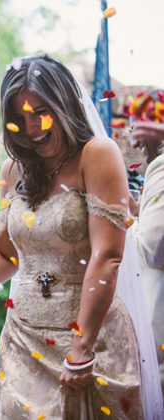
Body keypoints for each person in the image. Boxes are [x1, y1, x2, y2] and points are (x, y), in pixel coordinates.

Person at [0, 54, 145, 418]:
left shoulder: (97, 155)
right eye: (19, 119)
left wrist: (82, 347)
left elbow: (107, 255)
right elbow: (8, 258)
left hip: (88, 338)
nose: (32, 128)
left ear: (64, 104)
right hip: (22, 341)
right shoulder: (13, 170)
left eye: (41, 113)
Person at [131, 120, 164, 396]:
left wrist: (123, 218)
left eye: (138, 130)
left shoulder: (161, 166)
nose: (133, 142)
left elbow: (151, 251)